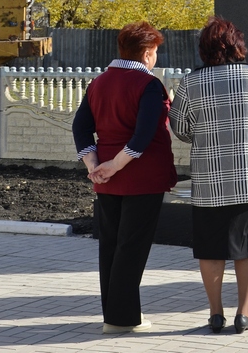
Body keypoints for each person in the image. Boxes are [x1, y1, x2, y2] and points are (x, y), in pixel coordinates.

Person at [169, 16, 248, 334]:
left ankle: (216, 313)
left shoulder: (191, 83)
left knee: (210, 248)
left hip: (209, 182)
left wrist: (203, 136)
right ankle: (244, 313)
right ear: (238, 45)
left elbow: (179, 126)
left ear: (204, 49)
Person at [72, 21, 179, 334]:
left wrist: (95, 165)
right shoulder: (148, 85)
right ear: (146, 54)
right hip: (142, 179)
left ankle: (114, 314)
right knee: (132, 247)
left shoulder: (99, 83)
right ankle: (121, 319)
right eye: (155, 51)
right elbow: (145, 133)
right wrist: (115, 165)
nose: (156, 57)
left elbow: (80, 127)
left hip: (107, 179)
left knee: (111, 246)